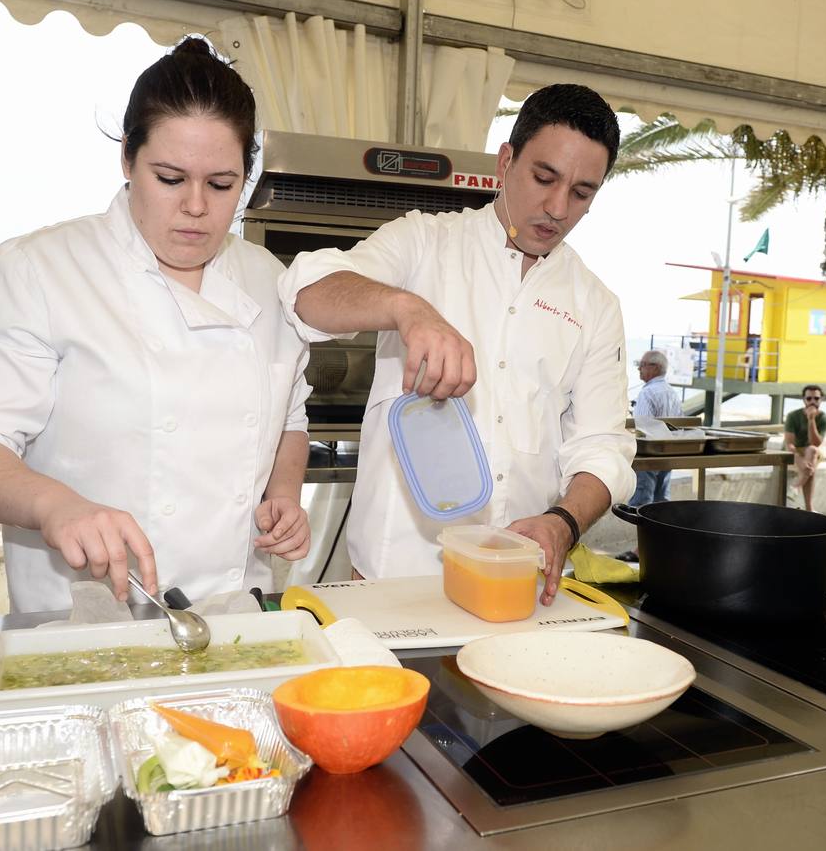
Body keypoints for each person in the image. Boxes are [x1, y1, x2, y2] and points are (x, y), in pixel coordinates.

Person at [0, 37, 312, 614]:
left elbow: (290, 415)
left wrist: (283, 495)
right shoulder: (42, 270)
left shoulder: (265, 278)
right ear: (127, 158)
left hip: (234, 615)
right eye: (170, 178)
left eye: (222, 184)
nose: (197, 206)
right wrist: (56, 505)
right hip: (84, 618)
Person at [278, 83, 635, 606]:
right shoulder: (425, 242)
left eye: (581, 193)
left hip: (512, 585)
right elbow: (308, 291)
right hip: (391, 579)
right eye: (544, 177)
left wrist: (563, 522)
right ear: (506, 160)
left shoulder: (596, 305)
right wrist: (407, 308)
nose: (557, 207)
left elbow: (603, 447)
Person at [629, 350, 681, 506]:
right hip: (668, 453)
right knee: (662, 502)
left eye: (643, 365)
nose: (639, 369)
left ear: (655, 367)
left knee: (641, 502)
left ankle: (641, 531)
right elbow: (680, 424)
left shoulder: (647, 393)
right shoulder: (672, 392)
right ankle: (660, 530)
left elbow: (641, 427)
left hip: (649, 455)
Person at [783, 384, 826, 512]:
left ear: (821, 399)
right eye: (809, 398)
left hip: (811, 452)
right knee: (810, 468)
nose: (813, 402)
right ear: (804, 400)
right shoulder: (793, 416)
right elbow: (789, 444)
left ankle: (796, 486)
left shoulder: (824, 418)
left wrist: (811, 420)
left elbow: (815, 443)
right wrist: (801, 460)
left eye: (816, 398)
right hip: (794, 452)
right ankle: (809, 508)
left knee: (812, 451)